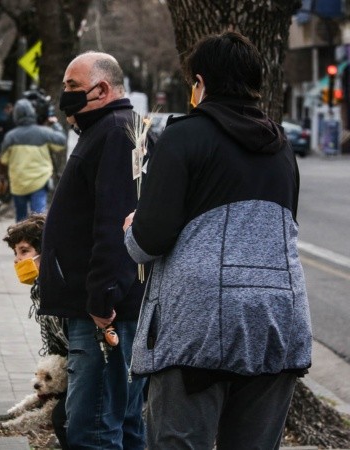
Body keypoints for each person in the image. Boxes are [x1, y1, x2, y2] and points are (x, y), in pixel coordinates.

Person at [122, 32, 311, 450]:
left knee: (178, 442)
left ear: (201, 83)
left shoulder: (183, 137)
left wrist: (131, 231)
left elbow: (151, 238)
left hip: (200, 322)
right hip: (277, 318)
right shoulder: (282, 147)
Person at [37, 52, 145, 449]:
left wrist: (101, 301)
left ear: (100, 90)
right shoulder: (115, 130)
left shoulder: (115, 132)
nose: (63, 95)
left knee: (93, 430)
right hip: (112, 310)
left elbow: (114, 223)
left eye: (71, 87)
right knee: (124, 423)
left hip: (106, 315)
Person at [3, 213, 69, 449]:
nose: (17, 260)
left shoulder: (57, 287)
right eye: (15, 254)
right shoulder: (41, 290)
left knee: (63, 419)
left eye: (24, 251)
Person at [0, 99, 67, 222]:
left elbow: (4, 159)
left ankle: (20, 240)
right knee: (38, 218)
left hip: (18, 183)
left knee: (20, 219)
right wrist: (55, 124)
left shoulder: (10, 137)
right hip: (39, 181)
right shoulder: (44, 133)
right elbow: (61, 142)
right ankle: (38, 240)